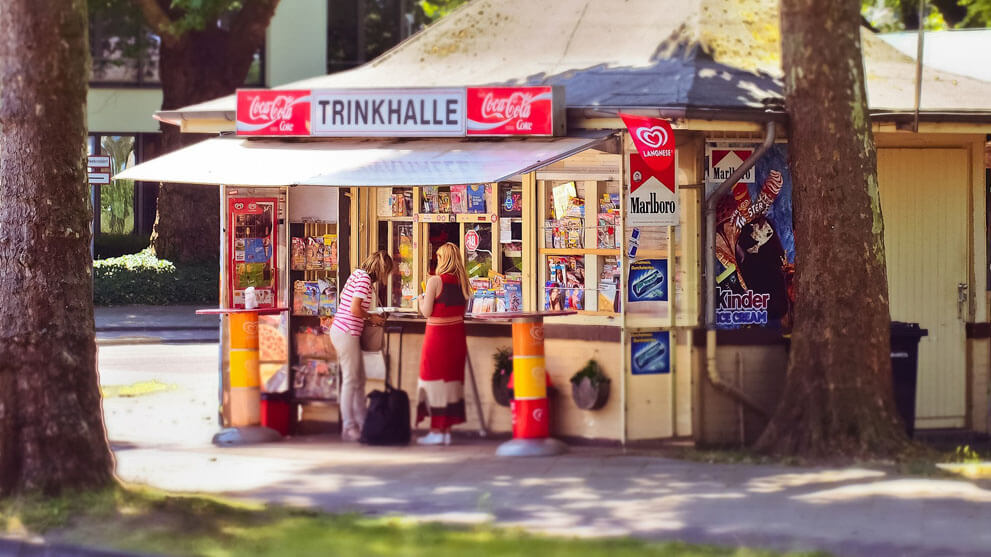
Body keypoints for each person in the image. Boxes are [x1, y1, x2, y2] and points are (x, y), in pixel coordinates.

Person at [330, 250, 393, 442]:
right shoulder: (365, 280)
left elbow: (344, 298)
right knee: (351, 380)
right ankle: (349, 426)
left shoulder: (357, 274)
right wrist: (371, 316)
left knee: (357, 380)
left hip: (343, 330)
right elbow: (355, 308)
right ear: (381, 269)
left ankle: (362, 421)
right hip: (347, 331)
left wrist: (365, 314)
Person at [416, 242, 471, 445]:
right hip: (457, 336)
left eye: (438, 257)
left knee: (433, 381)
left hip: (437, 336)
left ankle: (437, 431)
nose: (436, 260)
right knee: (451, 383)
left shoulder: (434, 281)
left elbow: (427, 312)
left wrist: (421, 300)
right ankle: (445, 429)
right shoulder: (463, 282)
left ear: (444, 259)